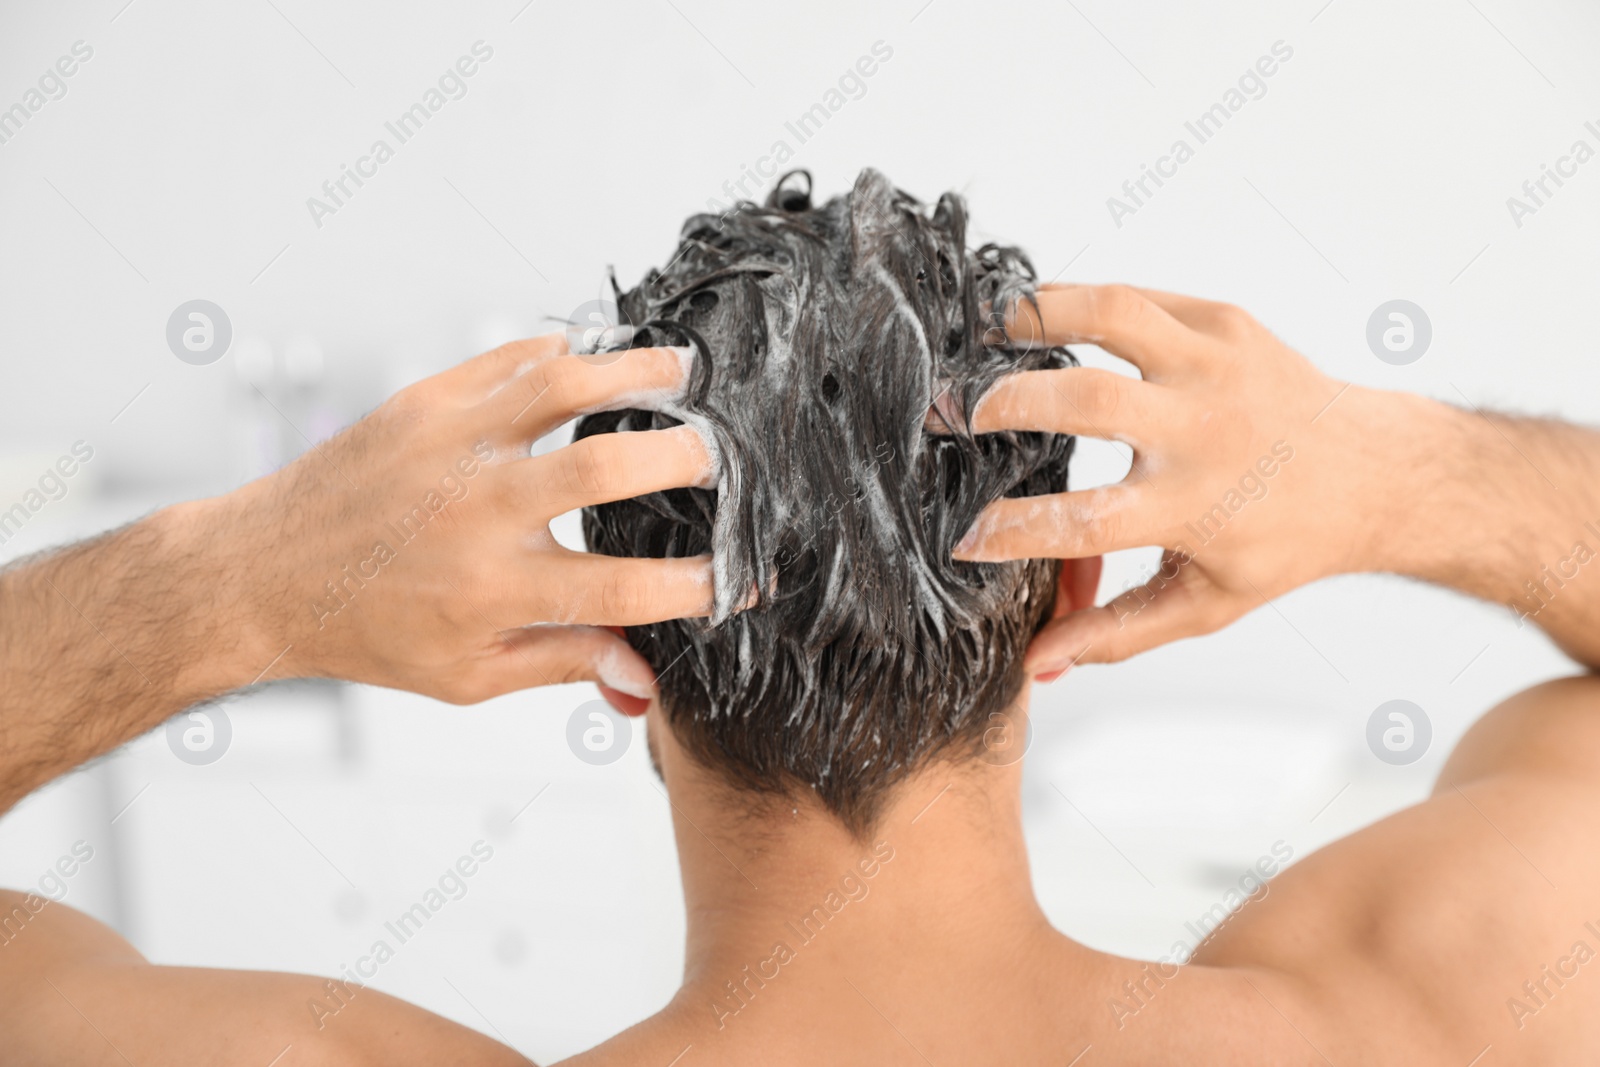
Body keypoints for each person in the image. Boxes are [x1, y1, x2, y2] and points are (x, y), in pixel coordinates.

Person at [3, 172, 1600, 1065]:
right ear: (1075, 578)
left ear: (615, 646)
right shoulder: (1435, 1009)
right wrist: (1399, 473)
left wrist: (251, 579)